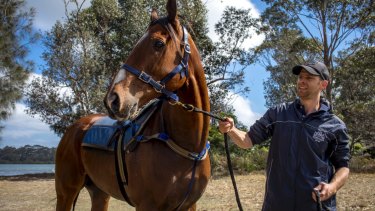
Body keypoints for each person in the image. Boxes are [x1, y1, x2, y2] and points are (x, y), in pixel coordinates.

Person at [219, 61, 350, 211]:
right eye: (300, 77)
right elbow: (247, 140)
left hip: (315, 205)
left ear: (323, 84)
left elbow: (343, 167)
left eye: (309, 78)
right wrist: (231, 129)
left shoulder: (335, 125)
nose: (302, 81)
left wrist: (332, 187)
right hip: (276, 204)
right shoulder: (278, 113)